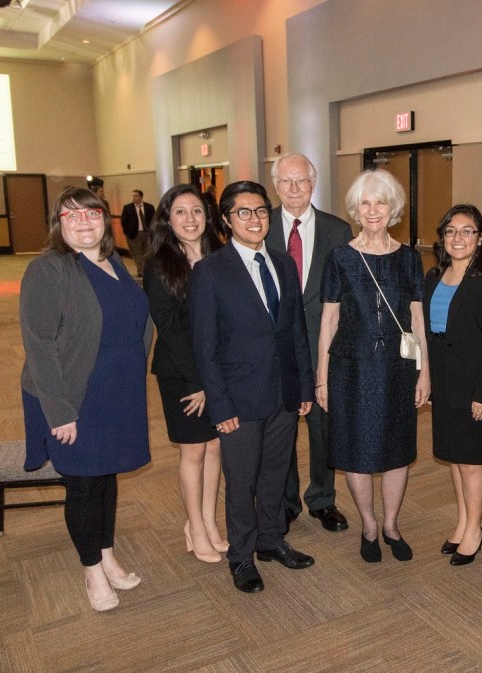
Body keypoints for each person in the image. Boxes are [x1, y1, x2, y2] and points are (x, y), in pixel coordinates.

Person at [20, 186, 151, 612]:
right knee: (82, 483)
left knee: (106, 477)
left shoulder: (112, 260)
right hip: (74, 394)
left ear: (104, 219)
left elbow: (135, 318)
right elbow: (38, 345)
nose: (82, 222)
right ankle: (92, 570)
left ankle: (108, 555)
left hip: (117, 392)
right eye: (70, 215)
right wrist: (58, 411)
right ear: (58, 224)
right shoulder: (49, 269)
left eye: (90, 213)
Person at [190, 180, 316, 594]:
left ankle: (271, 540)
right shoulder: (210, 271)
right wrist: (221, 407)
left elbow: (296, 332)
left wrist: (303, 388)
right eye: (244, 212)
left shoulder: (283, 263)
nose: (255, 219)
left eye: (261, 211)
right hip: (239, 400)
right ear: (226, 220)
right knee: (241, 482)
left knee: (276, 475)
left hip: (283, 393)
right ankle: (241, 556)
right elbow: (205, 348)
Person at [315, 169, 430, 563]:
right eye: (365, 203)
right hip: (351, 370)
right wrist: (321, 378)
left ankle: (391, 525)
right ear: (356, 209)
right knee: (356, 449)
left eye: (380, 202)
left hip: (398, 370)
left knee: (397, 450)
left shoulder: (409, 258)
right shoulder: (341, 258)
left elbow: (417, 321)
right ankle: (367, 525)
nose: (373, 210)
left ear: (392, 207)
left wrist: (424, 372)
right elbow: (328, 320)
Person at [267, 152, 352, 534]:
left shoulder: (338, 231)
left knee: (323, 427)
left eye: (301, 181)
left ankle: (322, 498)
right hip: (275, 348)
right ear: (275, 185)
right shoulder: (258, 225)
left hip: (324, 344)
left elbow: (349, 295)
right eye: (286, 181)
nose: (294, 189)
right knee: (281, 427)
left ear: (313, 184)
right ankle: (285, 502)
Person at [143, 184, 227, 564]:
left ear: (207, 217)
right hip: (182, 374)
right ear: (167, 218)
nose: (190, 219)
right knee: (194, 450)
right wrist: (199, 382)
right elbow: (169, 329)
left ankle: (209, 522)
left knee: (216, 447)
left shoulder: (222, 256)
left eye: (197, 211)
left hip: (217, 371)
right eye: (180, 211)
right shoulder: (159, 263)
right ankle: (193, 525)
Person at [423, 204, 482, 566]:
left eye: (467, 230)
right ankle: (462, 523)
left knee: (472, 463)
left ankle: (474, 530)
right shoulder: (433, 276)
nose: (458, 238)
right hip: (444, 384)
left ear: (481, 237)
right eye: (451, 231)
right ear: (443, 237)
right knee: (456, 460)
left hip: (476, 387)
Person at [121, 189, 155, 277]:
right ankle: (142, 271)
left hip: (147, 234)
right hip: (134, 235)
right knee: (137, 254)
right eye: (133, 196)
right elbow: (124, 222)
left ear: (141, 197)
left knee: (147, 253)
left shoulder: (149, 207)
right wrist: (127, 233)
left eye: (136, 196)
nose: (133, 198)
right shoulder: (128, 208)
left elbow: (154, 220)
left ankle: (147, 270)